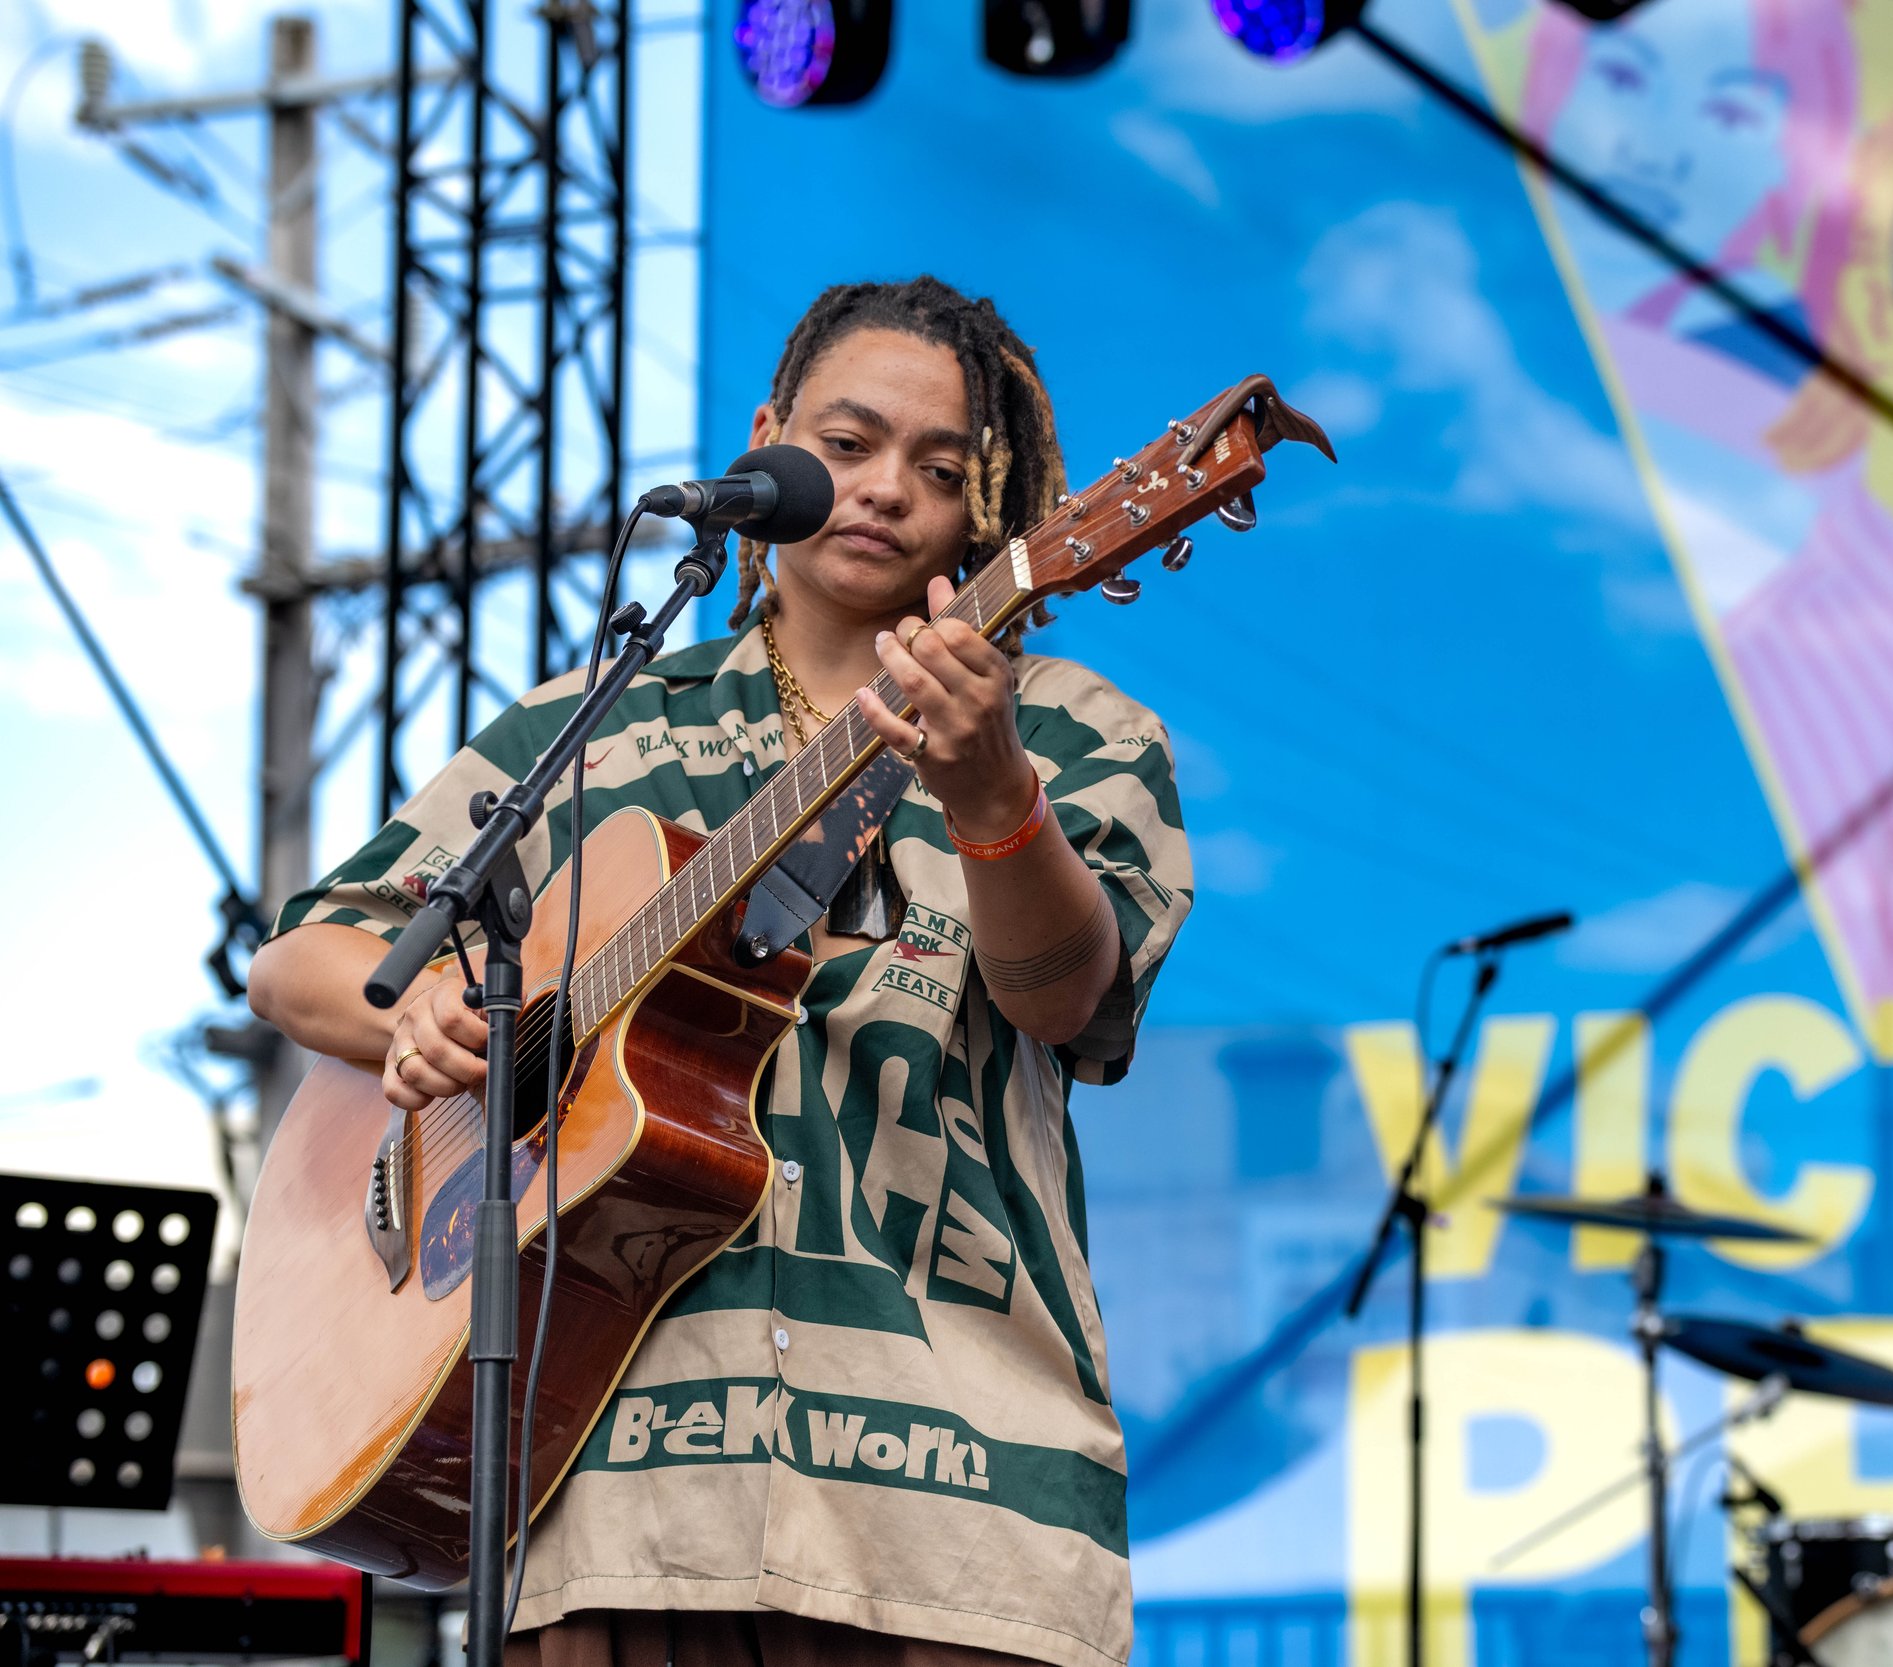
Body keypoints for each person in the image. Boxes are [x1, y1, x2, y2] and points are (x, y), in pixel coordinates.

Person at [246, 276, 1192, 1667]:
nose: (883, 490)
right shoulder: (588, 730)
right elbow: (303, 958)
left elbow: (1070, 1000)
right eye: (849, 442)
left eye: (941, 470)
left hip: (954, 1501)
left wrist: (995, 796)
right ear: (769, 438)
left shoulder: (1072, 732)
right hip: (612, 1498)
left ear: (995, 516)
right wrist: (440, 1020)